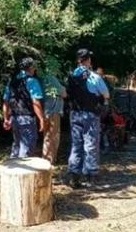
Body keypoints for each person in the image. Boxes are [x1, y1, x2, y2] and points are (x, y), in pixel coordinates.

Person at [65, 49, 110, 188]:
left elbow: (68, 94)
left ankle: (74, 176)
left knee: (76, 145)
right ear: (88, 60)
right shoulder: (94, 77)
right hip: (90, 114)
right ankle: (91, 177)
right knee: (90, 144)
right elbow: (106, 95)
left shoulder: (71, 77)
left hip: (75, 114)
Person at [2, 57, 46, 158]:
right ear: (31, 67)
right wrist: (41, 119)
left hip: (14, 118)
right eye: (34, 66)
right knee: (27, 147)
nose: (35, 69)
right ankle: (22, 170)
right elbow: (36, 102)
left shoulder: (12, 82)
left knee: (17, 145)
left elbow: (5, 101)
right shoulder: (32, 81)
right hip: (27, 118)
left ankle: (12, 170)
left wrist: (6, 119)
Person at [40, 72, 67, 164]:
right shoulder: (51, 78)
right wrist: (63, 87)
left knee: (47, 137)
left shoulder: (41, 78)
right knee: (53, 137)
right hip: (54, 111)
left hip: (45, 111)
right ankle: (50, 162)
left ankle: (45, 160)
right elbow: (64, 94)